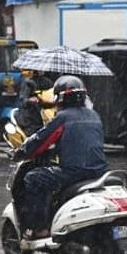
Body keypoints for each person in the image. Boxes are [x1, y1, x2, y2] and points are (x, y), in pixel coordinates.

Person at [12, 75, 109, 241]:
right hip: (99, 172)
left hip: (74, 172)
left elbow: (39, 140)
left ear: (60, 98)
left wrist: (22, 152)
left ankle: (39, 228)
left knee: (33, 178)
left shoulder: (63, 118)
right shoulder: (95, 116)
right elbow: (82, 140)